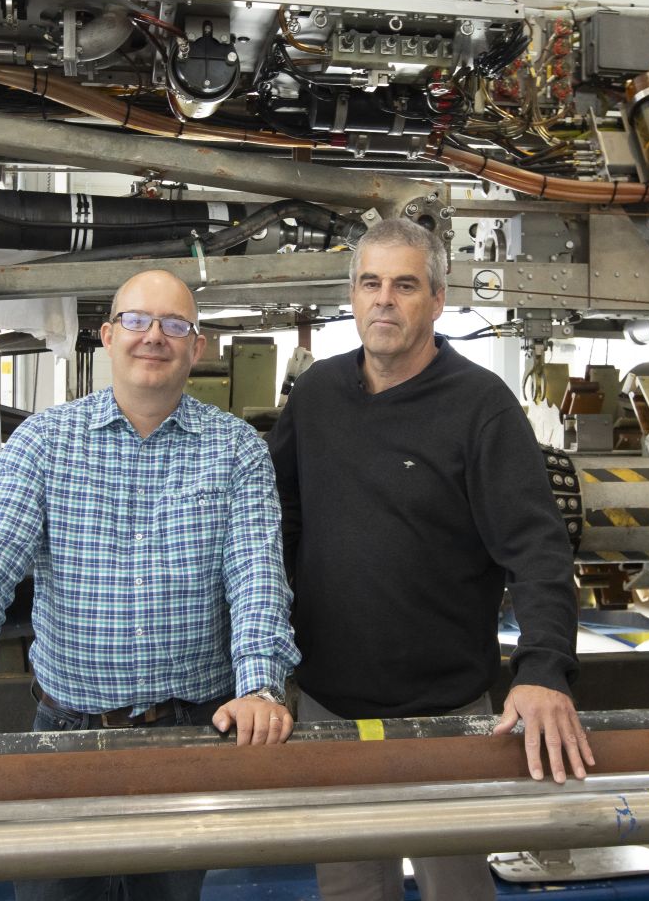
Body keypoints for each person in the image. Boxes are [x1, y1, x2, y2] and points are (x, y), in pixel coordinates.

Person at [0, 269, 300, 901]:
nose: (152, 336)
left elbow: (256, 578)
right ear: (107, 335)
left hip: (190, 735)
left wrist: (261, 687)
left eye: (174, 325)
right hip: (66, 733)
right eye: (135, 320)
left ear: (197, 346)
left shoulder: (237, 450)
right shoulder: (44, 443)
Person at [265, 218, 593, 901]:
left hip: (449, 711)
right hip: (330, 705)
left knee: (457, 889)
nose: (384, 300)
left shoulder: (482, 408)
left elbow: (537, 548)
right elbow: (276, 520)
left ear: (438, 300)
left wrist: (543, 670)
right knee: (352, 890)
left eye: (405, 285)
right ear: (352, 296)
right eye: (370, 283)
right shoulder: (317, 395)